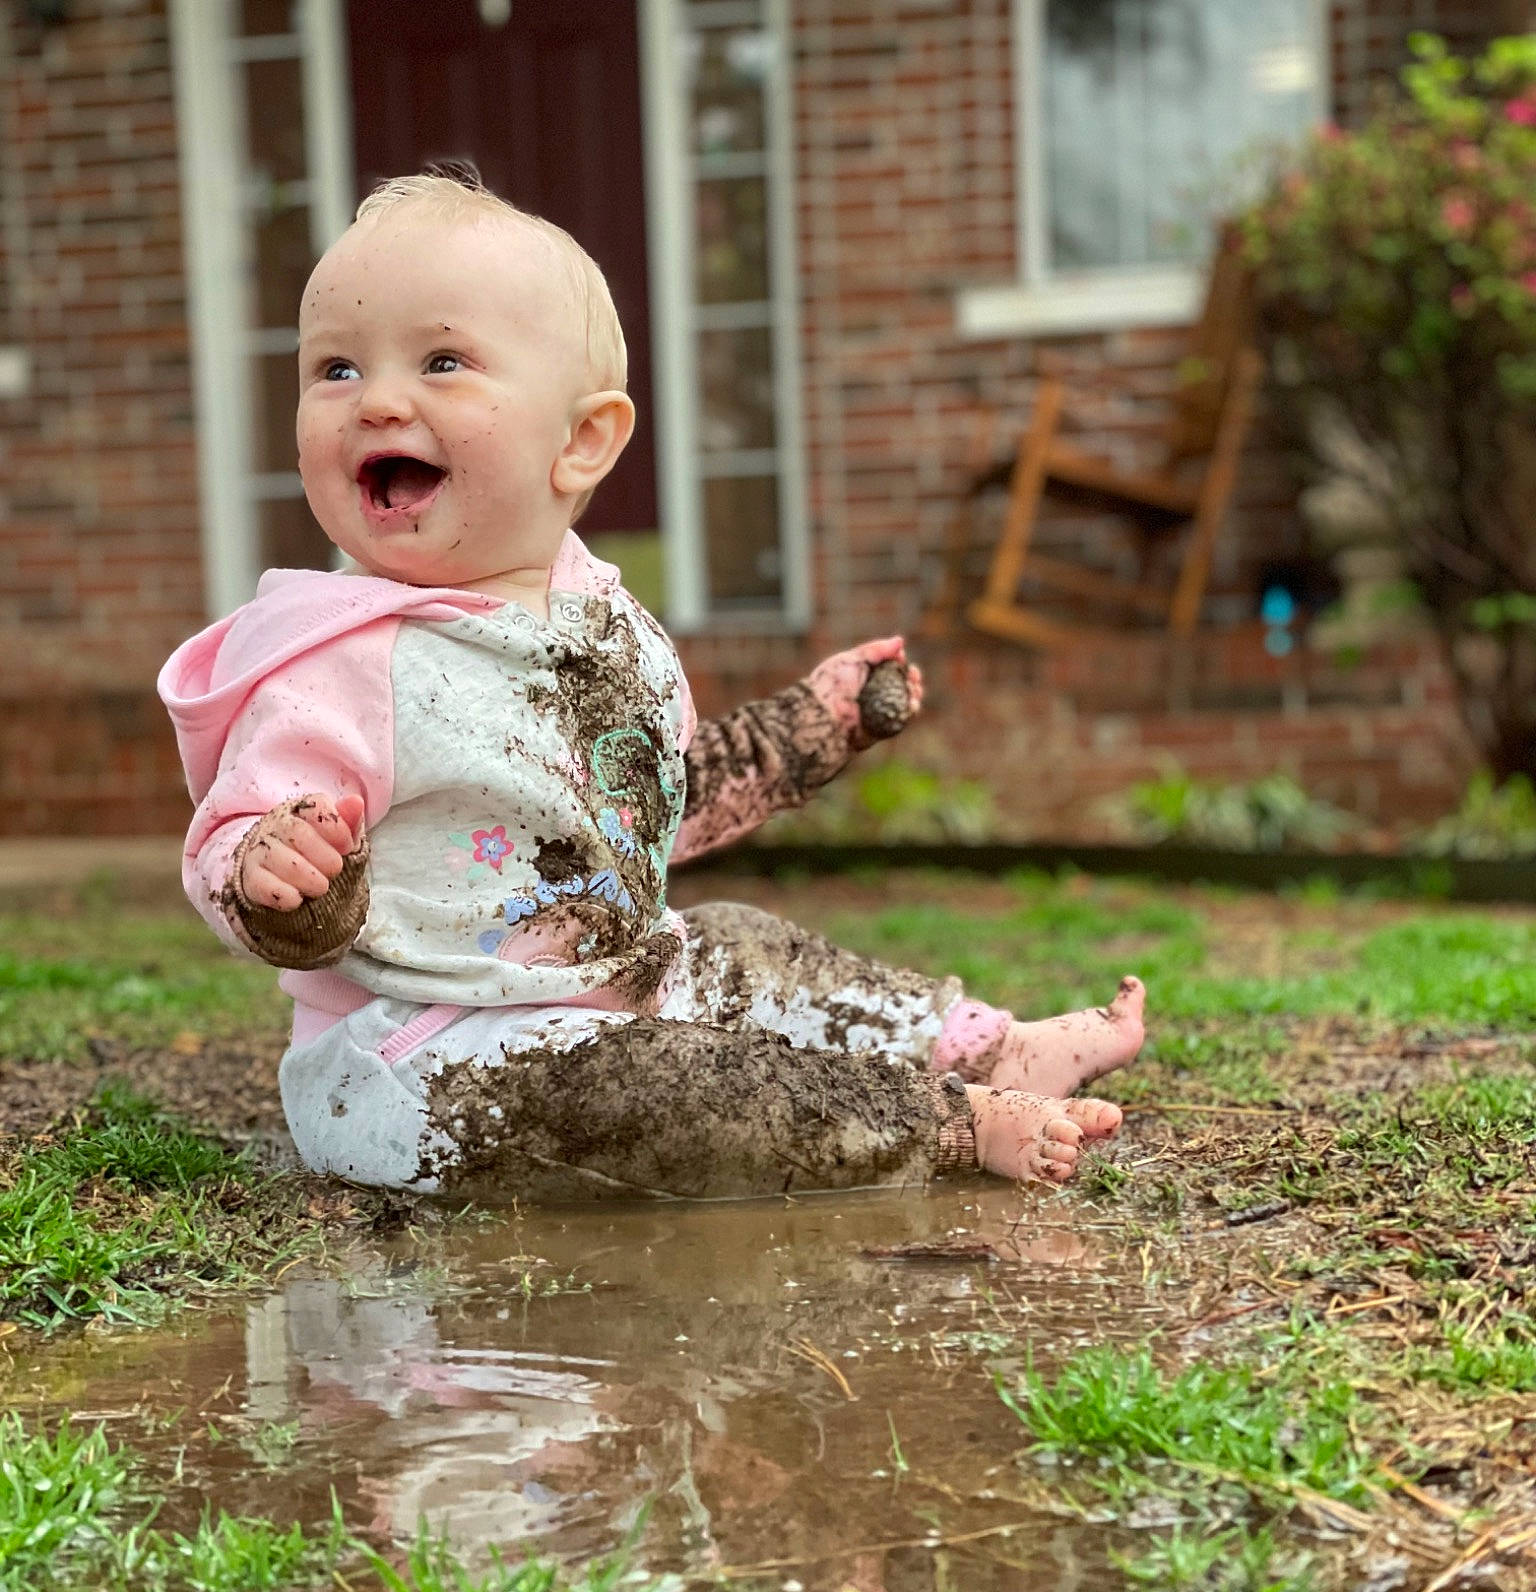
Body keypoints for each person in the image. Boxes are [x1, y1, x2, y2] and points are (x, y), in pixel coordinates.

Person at [159, 167, 1144, 1202]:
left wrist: (811, 726)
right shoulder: (337, 659)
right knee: (654, 1087)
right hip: (434, 1062)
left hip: (620, 986)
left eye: (441, 360)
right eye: (336, 370)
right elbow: (240, 841)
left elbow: (652, 803)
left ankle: (989, 1049)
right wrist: (284, 873)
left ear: (581, 440)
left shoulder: (602, 618)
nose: (380, 400)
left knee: (737, 945)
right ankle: (947, 1124)